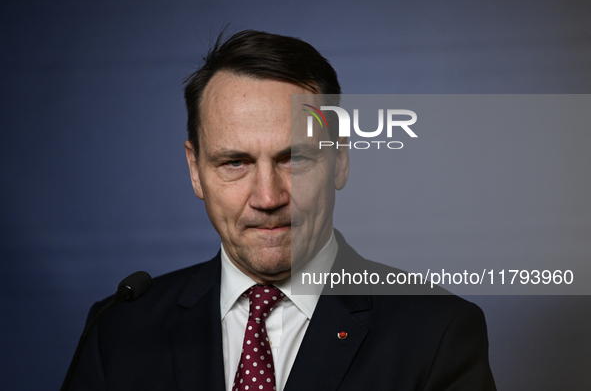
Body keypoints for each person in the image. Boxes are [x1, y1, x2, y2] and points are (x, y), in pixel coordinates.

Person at [66, 29, 496, 390]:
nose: (268, 197)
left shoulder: (437, 333)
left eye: (295, 159)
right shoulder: (119, 330)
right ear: (196, 171)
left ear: (340, 160)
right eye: (235, 162)